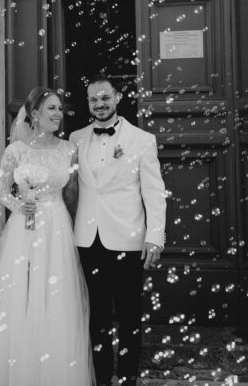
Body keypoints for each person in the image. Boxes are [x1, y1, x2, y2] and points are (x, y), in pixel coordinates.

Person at [0, 87, 94, 386]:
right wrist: (22, 204)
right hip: (24, 229)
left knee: (56, 296)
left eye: (60, 109)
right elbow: (1, 192)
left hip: (58, 227)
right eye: (51, 109)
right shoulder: (16, 151)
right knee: (20, 294)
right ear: (34, 115)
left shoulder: (67, 149)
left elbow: (72, 193)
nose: (58, 114)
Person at [70, 74, 167, 386]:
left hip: (128, 239)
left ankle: (127, 379)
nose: (100, 104)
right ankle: (100, 379)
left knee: (128, 318)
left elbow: (154, 193)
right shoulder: (75, 139)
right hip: (87, 239)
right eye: (93, 99)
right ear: (88, 103)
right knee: (96, 317)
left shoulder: (142, 139)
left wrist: (155, 237)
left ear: (118, 97)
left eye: (105, 97)